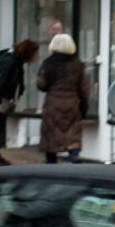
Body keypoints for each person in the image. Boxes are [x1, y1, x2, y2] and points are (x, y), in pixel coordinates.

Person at [37, 33, 88, 164]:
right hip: (72, 104)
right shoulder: (77, 64)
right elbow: (83, 89)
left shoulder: (48, 63)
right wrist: (84, 108)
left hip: (52, 104)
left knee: (51, 137)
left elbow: (41, 85)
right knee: (72, 135)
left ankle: (51, 165)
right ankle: (73, 156)